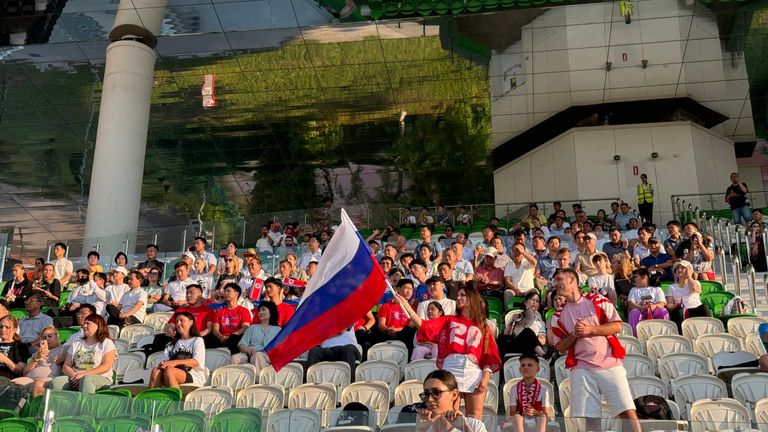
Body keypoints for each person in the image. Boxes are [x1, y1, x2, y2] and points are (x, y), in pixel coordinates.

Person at [548, 269, 640, 432]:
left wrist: (590, 330)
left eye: (559, 279)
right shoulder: (557, 316)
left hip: (610, 363)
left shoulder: (597, 300)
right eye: (554, 281)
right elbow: (560, 347)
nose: (555, 284)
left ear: (572, 279)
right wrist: (574, 334)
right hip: (581, 369)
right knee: (590, 420)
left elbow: (617, 325)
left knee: (627, 411)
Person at [397, 286, 501, 419]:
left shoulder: (483, 326)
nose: (458, 298)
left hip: (473, 371)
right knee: (449, 415)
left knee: (475, 416)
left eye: (463, 295)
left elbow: (488, 355)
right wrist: (406, 305)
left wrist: (485, 380)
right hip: (451, 369)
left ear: (472, 298)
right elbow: (424, 326)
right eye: (458, 295)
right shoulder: (448, 320)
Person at [53, 314, 116, 393]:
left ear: (99, 326)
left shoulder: (107, 342)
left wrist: (84, 375)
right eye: (84, 323)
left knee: (87, 380)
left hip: (100, 378)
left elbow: (106, 366)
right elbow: (66, 366)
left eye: (88, 323)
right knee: (57, 382)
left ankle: (84, 405)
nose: (84, 326)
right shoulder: (77, 343)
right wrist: (75, 377)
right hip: (76, 376)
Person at [415, 370, 487, 432]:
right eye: (426, 394)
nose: (430, 399)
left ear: (454, 395)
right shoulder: (425, 426)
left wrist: (465, 429)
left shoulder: (475, 426)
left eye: (436, 392)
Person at [149, 311, 206, 388]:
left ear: (191, 322)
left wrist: (175, 362)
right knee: (155, 371)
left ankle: (175, 399)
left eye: (181, 320)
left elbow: (196, 362)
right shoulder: (170, 344)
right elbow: (164, 361)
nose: (178, 324)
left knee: (170, 371)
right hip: (171, 372)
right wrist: (163, 364)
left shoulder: (197, 340)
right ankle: (153, 399)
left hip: (193, 374)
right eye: (177, 321)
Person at [504, 353, 553, 432]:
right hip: (520, 418)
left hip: (537, 418)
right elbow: (512, 413)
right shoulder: (514, 389)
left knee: (543, 417)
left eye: (529, 365)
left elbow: (546, 414)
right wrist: (522, 413)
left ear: (537, 369)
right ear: (520, 369)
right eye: (523, 365)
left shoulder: (543, 390)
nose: (525, 367)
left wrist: (536, 413)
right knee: (516, 417)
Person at [16, 325, 65, 397]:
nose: (47, 339)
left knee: (38, 384)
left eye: (50, 336)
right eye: (44, 338)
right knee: (13, 383)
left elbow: (71, 364)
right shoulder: (37, 352)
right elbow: (25, 372)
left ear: (57, 336)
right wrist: (35, 359)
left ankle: (34, 407)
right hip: (29, 378)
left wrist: (63, 361)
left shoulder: (65, 348)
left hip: (49, 379)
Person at [232, 301, 281, 374]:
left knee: (258, 356)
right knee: (235, 358)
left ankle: (258, 382)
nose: (260, 312)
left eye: (263, 310)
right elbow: (241, 344)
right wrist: (248, 349)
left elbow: (281, 348)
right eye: (259, 310)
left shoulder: (278, 330)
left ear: (271, 312)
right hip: (249, 354)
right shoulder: (252, 327)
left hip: (268, 356)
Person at [500, 291, 547, 358]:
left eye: (537, 301)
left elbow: (542, 340)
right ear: (525, 302)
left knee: (528, 332)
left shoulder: (540, 322)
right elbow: (506, 335)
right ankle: (543, 354)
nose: (534, 303)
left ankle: (542, 354)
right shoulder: (517, 316)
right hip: (516, 345)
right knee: (527, 331)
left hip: (531, 349)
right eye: (532, 300)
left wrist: (531, 340)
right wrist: (511, 321)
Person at [665, 260, 711, 327]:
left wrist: (689, 276)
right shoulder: (672, 287)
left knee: (704, 307)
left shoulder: (696, 282)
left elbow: (694, 289)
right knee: (678, 311)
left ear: (689, 271)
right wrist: (676, 306)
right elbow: (669, 305)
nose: (679, 269)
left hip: (696, 308)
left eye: (683, 268)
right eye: (677, 268)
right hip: (682, 310)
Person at [626, 268, 669, 336]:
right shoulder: (634, 290)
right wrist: (640, 307)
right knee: (634, 312)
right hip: (640, 311)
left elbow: (662, 303)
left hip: (653, 311)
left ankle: (665, 335)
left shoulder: (657, 289)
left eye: (636, 276)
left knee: (662, 310)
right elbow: (630, 303)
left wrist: (652, 306)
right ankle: (634, 336)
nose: (634, 279)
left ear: (644, 277)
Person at [210, 283, 251, 353]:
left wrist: (231, 336)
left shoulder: (243, 311)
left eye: (228, 291)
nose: (225, 293)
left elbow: (245, 328)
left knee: (234, 339)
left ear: (236, 294)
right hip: (222, 338)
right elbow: (215, 329)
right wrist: (220, 336)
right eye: (225, 291)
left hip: (236, 338)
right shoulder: (219, 311)